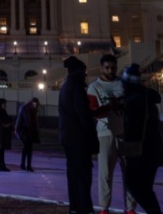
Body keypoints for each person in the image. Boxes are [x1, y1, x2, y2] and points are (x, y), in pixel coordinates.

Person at [87, 54, 135, 214]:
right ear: (101, 68)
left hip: (124, 132)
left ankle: (130, 207)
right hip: (105, 133)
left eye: (113, 68)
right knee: (105, 173)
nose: (110, 70)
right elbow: (93, 112)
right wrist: (110, 106)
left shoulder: (123, 84)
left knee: (129, 173)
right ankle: (104, 207)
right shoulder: (94, 87)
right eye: (107, 67)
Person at [119, 63, 163, 214]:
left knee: (134, 184)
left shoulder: (133, 101)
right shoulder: (146, 97)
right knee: (145, 188)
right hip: (153, 151)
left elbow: (131, 128)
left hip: (140, 152)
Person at [57, 56, 96, 214]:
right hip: (79, 139)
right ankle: (85, 208)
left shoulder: (65, 87)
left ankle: (75, 207)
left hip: (68, 138)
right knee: (83, 176)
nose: (85, 75)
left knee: (73, 175)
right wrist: (92, 137)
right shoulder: (77, 88)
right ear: (79, 72)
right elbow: (83, 116)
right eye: (84, 72)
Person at [14, 97, 40, 172]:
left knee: (29, 148)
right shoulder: (24, 108)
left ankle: (27, 165)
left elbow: (34, 121)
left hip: (30, 130)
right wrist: (17, 129)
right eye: (34, 104)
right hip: (24, 130)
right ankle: (24, 165)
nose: (35, 105)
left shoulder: (33, 110)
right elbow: (19, 119)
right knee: (27, 147)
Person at [0, 97, 13, 172]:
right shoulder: (0, 111)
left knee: (1, 150)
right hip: (1, 134)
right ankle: (1, 166)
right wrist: (8, 124)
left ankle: (1, 165)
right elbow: (4, 121)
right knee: (1, 150)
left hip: (0, 134)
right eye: (4, 103)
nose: (5, 105)